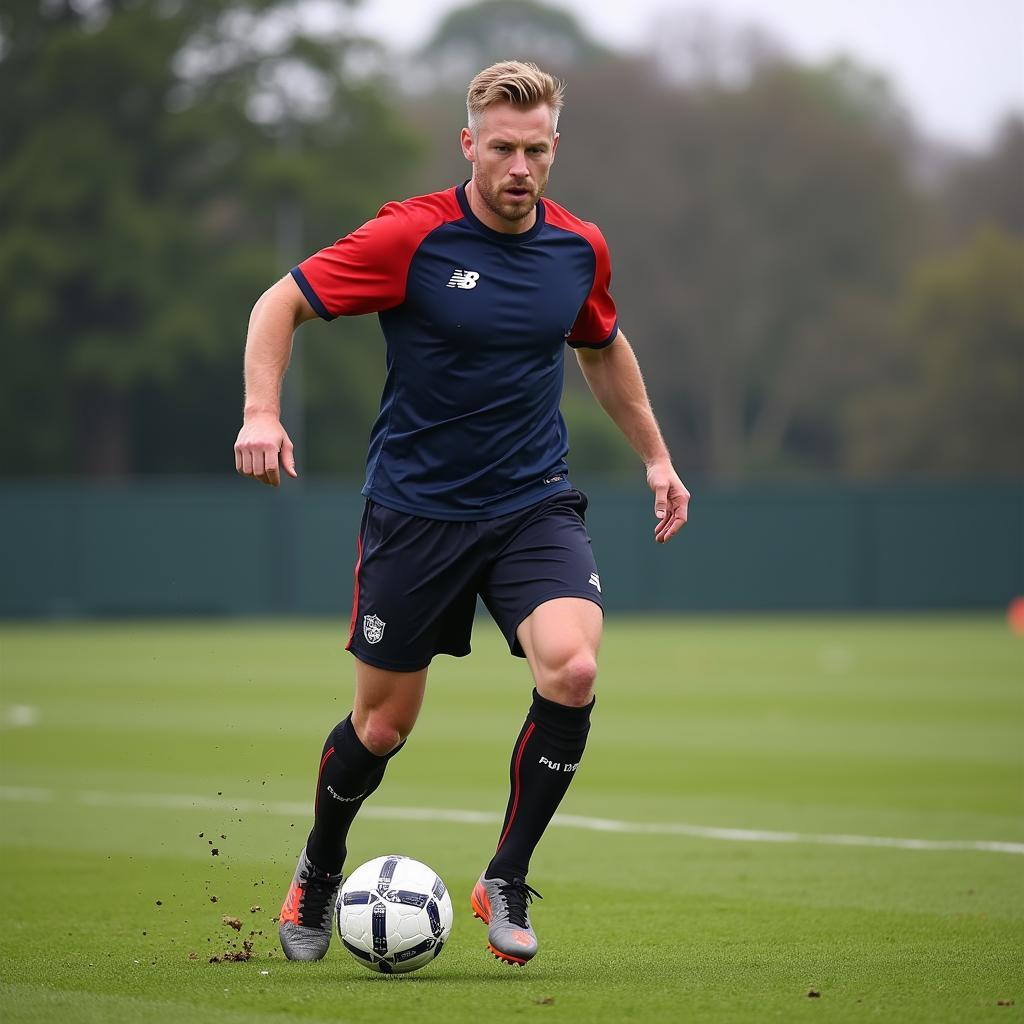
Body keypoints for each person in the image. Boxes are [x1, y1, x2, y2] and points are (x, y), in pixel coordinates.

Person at [233, 60, 689, 967]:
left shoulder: (578, 248)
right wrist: (260, 411)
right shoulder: (411, 236)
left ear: (555, 148)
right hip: (415, 514)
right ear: (469, 144)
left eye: (536, 150)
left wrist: (657, 455)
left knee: (574, 667)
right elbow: (279, 301)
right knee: (382, 728)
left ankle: (506, 875)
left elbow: (601, 345)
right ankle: (320, 865)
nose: (519, 166)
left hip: (531, 504)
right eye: (502, 148)